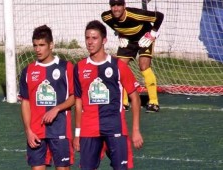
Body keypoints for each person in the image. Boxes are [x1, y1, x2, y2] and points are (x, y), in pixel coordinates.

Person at [73, 20, 143, 170]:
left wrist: (135, 130)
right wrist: (77, 133)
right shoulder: (79, 67)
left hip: (115, 126)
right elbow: (78, 102)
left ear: (104, 40)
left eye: (94, 38)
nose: (90, 42)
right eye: (87, 38)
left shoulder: (118, 66)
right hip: (89, 128)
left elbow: (135, 97)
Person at [19, 25, 75, 170]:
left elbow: (74, 97)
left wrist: (57, 108)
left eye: (42, 45)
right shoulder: (28, 71)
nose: (37, 49)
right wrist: (28, 131)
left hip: (60, 130)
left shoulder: (66, 67)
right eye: (35, 45)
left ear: (51, 45)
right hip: (36, 132)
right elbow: (25, 103)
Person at [101, 0, 164, 112]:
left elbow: (159, 16)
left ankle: (154, 102)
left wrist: (153, 34)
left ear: (124, 6)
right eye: (113, 5)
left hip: (145, 37)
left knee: (144, 66)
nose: (116, 8)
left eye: (119, 5)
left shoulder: (136, 14)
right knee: (120, 67)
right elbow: (115, 26)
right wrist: (121, 34)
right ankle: (124, 102)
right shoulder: (106, 17)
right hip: (128, 40)